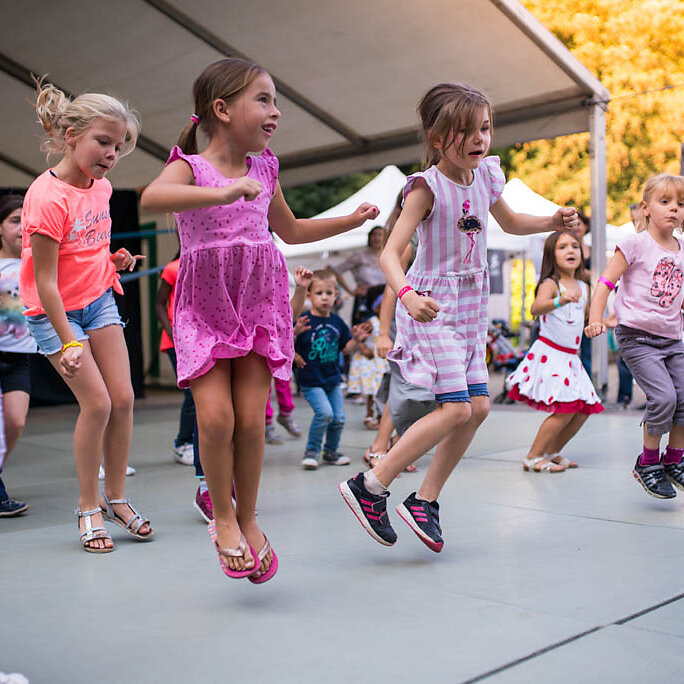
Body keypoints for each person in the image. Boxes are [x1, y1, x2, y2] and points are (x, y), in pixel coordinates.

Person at [140, 58, 378, 581]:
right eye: (264, 100)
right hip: (205, 310)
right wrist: (222, 192)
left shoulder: (266, 168)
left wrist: (351, 220)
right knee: (216, 420)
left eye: (275, 101)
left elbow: (290, 231)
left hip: (256, 305)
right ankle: (221, 515)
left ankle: (247, 517)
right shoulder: (190, 166)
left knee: (251, 422)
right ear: (222, 109)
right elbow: (152, 197)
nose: (276, 112)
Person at [339, 82, 580, 551]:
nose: (478, 139)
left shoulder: (487, 176)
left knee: (480, 407)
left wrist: (551, 221)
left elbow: (511, 222)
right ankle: (370, 484)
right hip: (431, 305)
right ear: (437, 138)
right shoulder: (426, 188)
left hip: (472, 306)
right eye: (465, 131)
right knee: (456, 408)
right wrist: (407, 295)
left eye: (484, 128)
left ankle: (423, 501)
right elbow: (390, 253)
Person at [20, 79, 153, 552]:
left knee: (124, 397)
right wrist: (69, 342)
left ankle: (117, 497)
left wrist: (113, 259)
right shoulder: (46, 197)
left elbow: (87, 248)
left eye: (118, 146)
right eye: (103, 142)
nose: (111, 154)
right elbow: (46, 282)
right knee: (97, 404)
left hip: (98, 299)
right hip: (53, 311)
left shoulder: (103, 189)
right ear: (71, 135)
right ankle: (87, 505)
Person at [586, 173, 684, 499]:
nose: (674, 208)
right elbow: (605, 282)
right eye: (665, 201)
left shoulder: (682, 249)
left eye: (681, 203)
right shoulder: (635, 244)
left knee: (683, 396)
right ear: (645, 208)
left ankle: (675, 459)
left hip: (671, 338)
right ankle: (648, 463)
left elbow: (677, 295)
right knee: (664, 398)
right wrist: (595, 318)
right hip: (637, 337)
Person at [506, 231, 603, 472]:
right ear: (552, 254)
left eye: (575, 246)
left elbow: (586, 317)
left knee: (583, 409)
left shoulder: (584, 286)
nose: (570, 251)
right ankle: (533, 456)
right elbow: (536, 308)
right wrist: (561, 300)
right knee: (564, 408)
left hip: (571, 358)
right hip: (552, 354)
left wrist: (599, 323)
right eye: (563, 247)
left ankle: (551, 451)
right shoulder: (551, 283)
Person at [295, 269, 370, 469]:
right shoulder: (303, 321)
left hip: (332, 379)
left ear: (336, 295)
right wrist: (294, 338)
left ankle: (330, 452)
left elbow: (346, 349)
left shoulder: (337, 322)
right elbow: (286, 346)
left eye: (329, 293)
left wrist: (356, 340)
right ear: (309, 295)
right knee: (324, 414)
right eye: (319, 293)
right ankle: (312, 451)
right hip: (311, 380)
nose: (324, 297)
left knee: (338, 418)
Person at [0, 194, 36, 517]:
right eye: (15, 220)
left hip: (19, 357)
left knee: (15, 421)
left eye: (26, 220)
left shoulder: (37, 262)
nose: (22, 227)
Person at [156, 250, 197, 465]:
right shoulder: (173, 268)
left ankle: (199, 443)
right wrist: (171, 332)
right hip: (177, 342)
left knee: (203, 393)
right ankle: (183, 443)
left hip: (200, 339)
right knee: (192, 393)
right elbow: (159, 304)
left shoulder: (206, 263)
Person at [347, 285, 387, 429]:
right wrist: (364, 348)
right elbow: (357, 334)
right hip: (371, 362)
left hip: (382, 362)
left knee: (383, 390)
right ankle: (369, 415)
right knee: (371, 391)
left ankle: (381, 416)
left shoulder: (389, 322)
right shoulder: (372, 322)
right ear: (376, 308)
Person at [332, 225, 386, 326]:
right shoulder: (360, 256)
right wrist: (350, 291)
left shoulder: (387, 256)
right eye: (374, 235)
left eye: (380, 235)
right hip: (365, 299)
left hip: (384, 299)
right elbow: (336, 271)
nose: (377, 238)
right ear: (369, 237)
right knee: (364, 328)